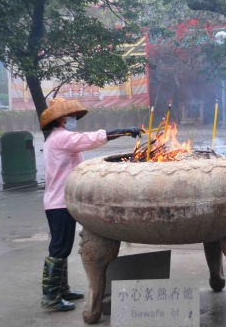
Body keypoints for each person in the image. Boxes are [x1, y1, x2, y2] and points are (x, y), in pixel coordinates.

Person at [39, 97, 141, 312]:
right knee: (59, 248)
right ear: (60, 119)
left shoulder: (57, 138)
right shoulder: (62, 138)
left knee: (62, 247)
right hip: (58, 202)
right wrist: (121, 131)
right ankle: (51, 296)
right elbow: (92, 139)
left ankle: (62, 289)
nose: (74, 119)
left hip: (57, 199)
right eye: (71, 116)